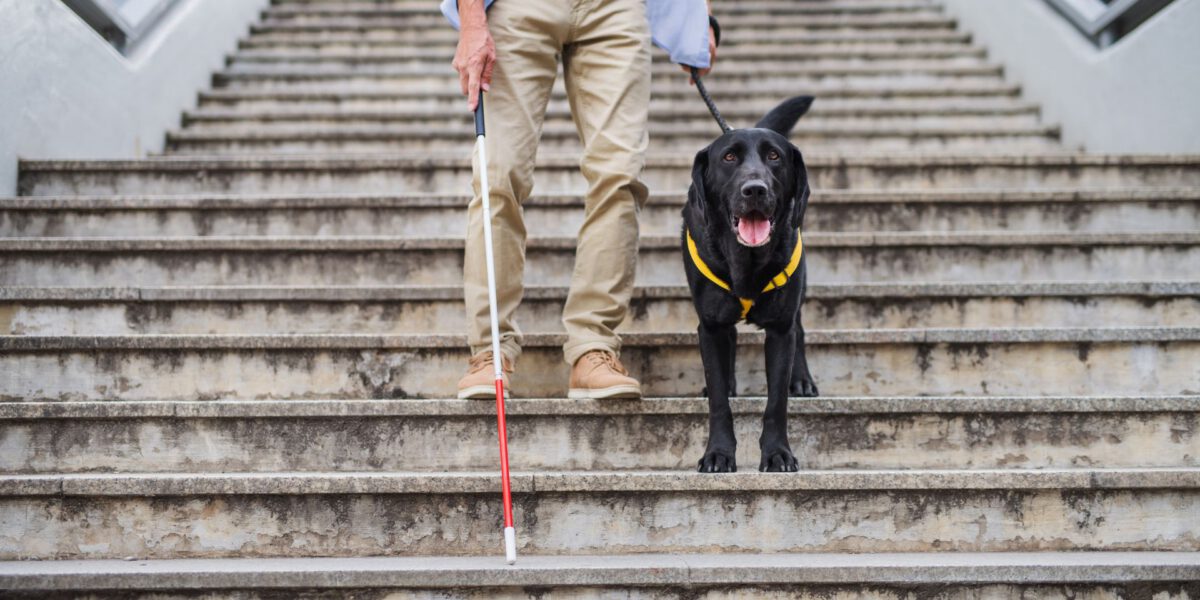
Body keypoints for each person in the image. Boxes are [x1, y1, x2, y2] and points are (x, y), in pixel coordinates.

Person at [445, 0, 718, 400]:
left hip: (616, 9)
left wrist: (697, 16)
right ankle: (490, 352)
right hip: (516, 8)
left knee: (620, 173)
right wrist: (471, 21)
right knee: (497, 173)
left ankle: (594, 347)